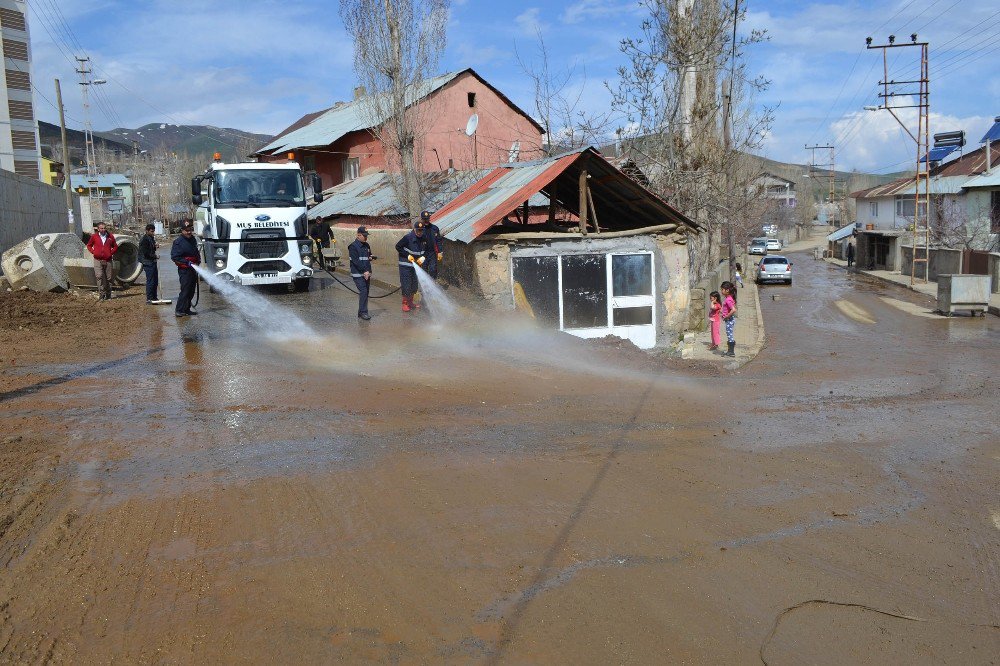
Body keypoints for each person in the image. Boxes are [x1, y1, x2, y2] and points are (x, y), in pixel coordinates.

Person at [395, 221, 429, 312]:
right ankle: (405, 304)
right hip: (405, 265)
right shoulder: (407, 238)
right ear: (414, 229)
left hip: (416, 266)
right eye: (418, 230)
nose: (419, 232)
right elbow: (398, 246)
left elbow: (427, 250)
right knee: (406, 284)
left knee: (414, 285)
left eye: (421, 230)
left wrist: (423, 257)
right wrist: (407, 255)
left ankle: (410, 303)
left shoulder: (424, 238)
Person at [171, 220, 201, 317]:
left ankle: (187, 309)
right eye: (186, 230)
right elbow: (175, 257)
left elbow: (196, 252)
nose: (189, 232)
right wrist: (187, 262)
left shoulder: (192, 239)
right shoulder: (178, 242)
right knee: (185, 290)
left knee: (192, 290)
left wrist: (198, 261)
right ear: (182, 231)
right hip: (185, 270)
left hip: (193, 268)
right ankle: (179, 310)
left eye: (190, 230)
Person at [86, 222, 118, 300]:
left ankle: (108, 294)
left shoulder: (110, 236)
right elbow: (89, 245)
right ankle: (101, 294)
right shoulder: (94, 237)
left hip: (108, 260)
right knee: (99, 276)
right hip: (97, 260)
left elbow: (115, 246)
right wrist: (93, 252)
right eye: (101, 228)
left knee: (109, 278)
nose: (103, 230)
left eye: (104, 228)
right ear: (98, 229)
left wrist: (110, 253)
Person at [349, 226, 374, 320]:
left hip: (367, 273)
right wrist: (365, 271)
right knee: (363, 291)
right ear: (358, 235)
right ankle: (363, 312)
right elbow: (356, 261)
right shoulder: (353, 246)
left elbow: (369, 255)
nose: (366, 237)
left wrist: (371, 256)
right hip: (358, 274)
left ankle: (361, 312)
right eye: (364, 235)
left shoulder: (366, 245)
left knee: (366, 292)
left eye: (367, 235)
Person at [138, 223, 159, 303]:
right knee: (151, 280)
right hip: (147, 262)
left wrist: (155, 246)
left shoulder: (151, 238)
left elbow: (151, 248)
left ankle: (154, 297)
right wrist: (155, 256)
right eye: (151, 231)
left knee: (155, 280)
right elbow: (146, 253)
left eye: (154, 231)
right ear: (147, 231)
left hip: (152, 261)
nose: (153, 233)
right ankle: (149, 298)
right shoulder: (144, 240)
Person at [420, 210, 443, 280]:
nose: (426, 220)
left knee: (433, 269)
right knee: (424, 270)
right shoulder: (419, 229)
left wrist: (440, 252)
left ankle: (433, 285)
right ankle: (425, 287)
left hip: (432, 253)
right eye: (424, 219)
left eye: (427, 218)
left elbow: (438, 240)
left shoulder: (434, 228)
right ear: (422, 219)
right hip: (422, 253)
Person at [720, 281, 738, 357]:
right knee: (729, 334)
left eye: (722, 289)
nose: (721, 291)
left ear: (727, 290)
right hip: (729, 320)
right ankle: (730, 351)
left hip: (729, 320)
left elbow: (733, 309)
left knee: (730, 335)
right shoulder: (729, 298)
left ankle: (731, 352)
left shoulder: (728, 299)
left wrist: (727, 316)